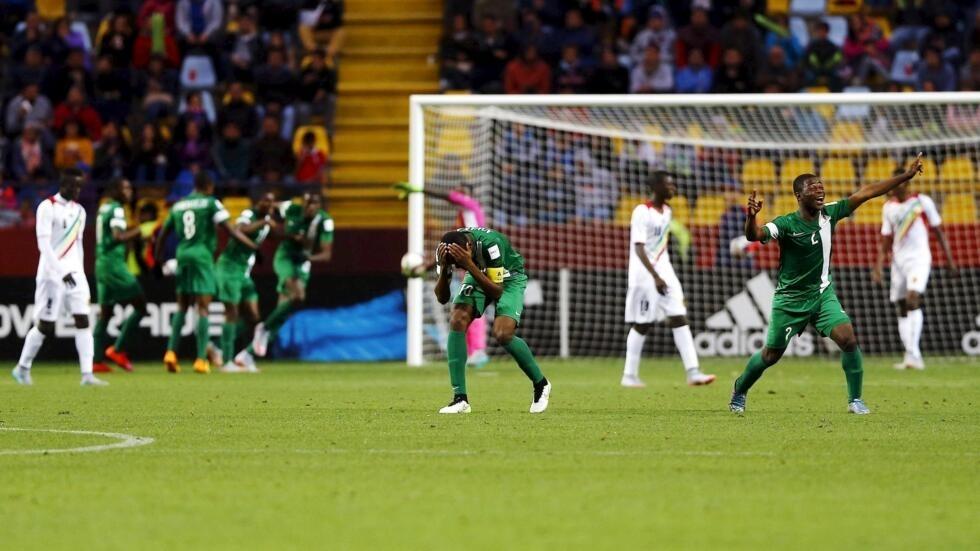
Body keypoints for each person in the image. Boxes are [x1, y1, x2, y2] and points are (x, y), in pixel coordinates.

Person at [731, 154, 926, 415]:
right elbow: (755, 235)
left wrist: (906, 176)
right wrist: (751, 218)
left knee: (848, 339)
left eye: (821, 187)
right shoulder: (786, 223)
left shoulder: (830, 214)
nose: (820, 191)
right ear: (799, 196)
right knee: (771, 355)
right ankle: (740, 388)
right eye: (813, 189)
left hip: (822, 294)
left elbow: (866, 192)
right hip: (790, 300)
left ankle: (855, 400)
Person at [434, 228, 551, 414]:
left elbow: (497, 291)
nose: (457, 266)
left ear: (469, 247)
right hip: (477, 273)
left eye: (458, 262)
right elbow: (442, 298)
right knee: (457, 319)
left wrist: (468, 264)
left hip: (509, 277)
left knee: (503, 334)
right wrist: (443, 271)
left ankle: (541, 383)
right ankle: (460, 399)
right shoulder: (446, 251)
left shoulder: (491, 244)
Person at [154, 172, 257, 374]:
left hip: (182, 254)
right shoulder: (211, 203)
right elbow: (231, 230)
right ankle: (201, 359)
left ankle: (170, 353)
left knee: (182, 305)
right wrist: (252, 246)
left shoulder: (179, 205)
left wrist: (157, 262)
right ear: (209, 186)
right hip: (202, 257)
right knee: (203, 308)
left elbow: (162, 235)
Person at [13, 168, 107, 386]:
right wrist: (61, 271)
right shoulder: (47, 207)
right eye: (74, 186)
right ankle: (22, 367)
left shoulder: (80, 212)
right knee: (45, 325)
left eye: (80, 186)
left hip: (75, 274)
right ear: (63, 185)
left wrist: (80, 272)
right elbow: (43, 245)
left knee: (83, 319)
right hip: (51, 275)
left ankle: (87, 375)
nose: (77, 190)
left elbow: (79, 245)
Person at [622, 171, 715, 388]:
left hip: (666, 272)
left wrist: (663, 274)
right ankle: (629, 375)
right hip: (645, 276)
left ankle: (693, 372)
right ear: (656, 187)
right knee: (643, 323)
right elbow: (639, 247)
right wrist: (654, 276)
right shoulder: (641, 212)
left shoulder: (667, 211)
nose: (673, 188)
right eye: (669, 185)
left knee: (679, 316)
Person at [394, 181, 490, 368]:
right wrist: (426, 267)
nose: (457, 193)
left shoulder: (471, 206)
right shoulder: (461, 220)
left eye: (461, 191)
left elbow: (447, 196)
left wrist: (420, 189)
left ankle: (478, 351)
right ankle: (473, 352)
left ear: (469, 194)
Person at [873, 170, 957, 371]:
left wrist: (949, 258)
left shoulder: (921, 201)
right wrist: (877, 265)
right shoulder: (888, 207)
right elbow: (886, 239)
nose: (894, 187)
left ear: (905, 183)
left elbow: (938, 230)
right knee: (901, 307)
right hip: (898, 262)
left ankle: (914, 354)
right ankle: (910, 355)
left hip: (919, 259)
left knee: (913, 299)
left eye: (897, 183)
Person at [246, 192, 333, 362]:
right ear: (303, 203)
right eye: (307, 203)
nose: (310, 207)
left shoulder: (325, 221)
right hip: (285, 257)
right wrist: (276, 228)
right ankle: (263, 329)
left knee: (283, 310)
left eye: (314, 204)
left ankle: (247, 355)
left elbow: (326, 254)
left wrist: (307, 257)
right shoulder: (292, 209)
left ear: (319, 205)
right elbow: (272, 207)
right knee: (298, 294)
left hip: (303, 261)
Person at [217, 191, 276, 373]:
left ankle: (243, 357)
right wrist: (255, 245)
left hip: (244, 273)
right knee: (232, 313)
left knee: (253, 316)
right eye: (265, 200)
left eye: (271, 202)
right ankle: (226, 360)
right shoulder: (249, 214)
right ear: (259, 201)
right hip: (229, 268)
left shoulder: (267, 224)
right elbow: (239, 229)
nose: (268, 204)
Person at [92, 178, 147, 373]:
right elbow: (117, 236)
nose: (129, 191)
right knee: (141, 306)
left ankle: (96, 360)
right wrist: (139, 231)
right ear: (116, 190)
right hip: (114, 265)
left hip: (101, 264)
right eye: (125, 188)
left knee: (105, 313)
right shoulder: (116, 209)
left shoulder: (104, 208)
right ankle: (118, 349)